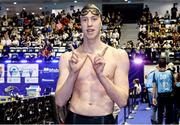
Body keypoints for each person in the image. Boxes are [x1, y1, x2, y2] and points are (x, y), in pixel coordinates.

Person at [55, 4, 130, 124]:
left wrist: (101, 76)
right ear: (80, 24)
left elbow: (122, 101)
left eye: (94, 19)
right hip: (74, 119)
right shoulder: (68, 57)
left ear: (101, 21)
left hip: (104, 119)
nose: (89, 24)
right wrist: (73, 74)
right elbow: (59, 101)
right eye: (85, 20)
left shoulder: (119, 55)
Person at [153, 58, 174, 124]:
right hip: (169, 95)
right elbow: (173, 84)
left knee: (160, 112)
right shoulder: (170, 73)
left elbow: (154, 86)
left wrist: (154, 97)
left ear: (159, 65)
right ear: (166, 65)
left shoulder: (155, 74)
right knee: (168, 112)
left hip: (160, 95)